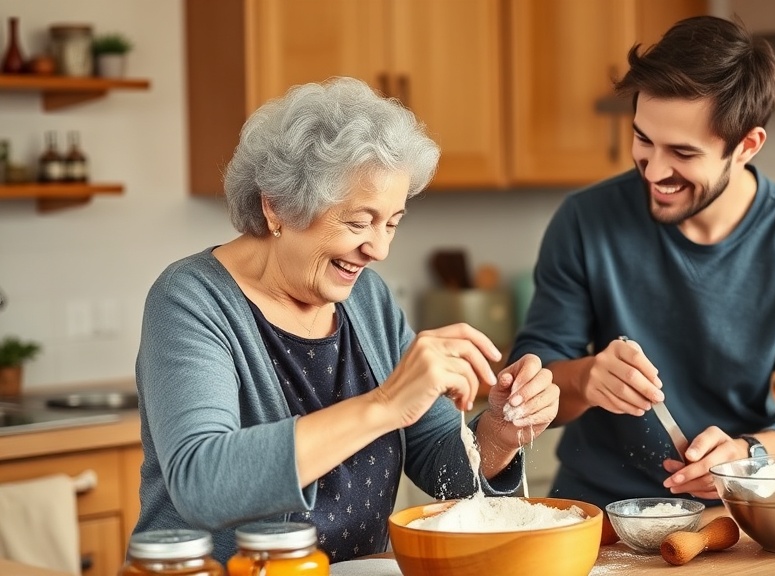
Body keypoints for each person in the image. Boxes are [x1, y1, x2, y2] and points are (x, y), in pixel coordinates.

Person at [133, 77, 559, 564]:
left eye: (392, 223)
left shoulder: (367, 301)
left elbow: (442, 461)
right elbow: (203, 483)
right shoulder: (191, 299)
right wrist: (386, 403)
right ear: (277, 205)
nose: (378, 249)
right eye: (359, 223)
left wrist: (499, 434)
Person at [508, 15, 775, 508]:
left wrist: (747, 456)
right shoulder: (585, 221)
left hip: (735, 517)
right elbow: (530, 377)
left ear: (746, 147)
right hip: (594, 512)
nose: (655, 170)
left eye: (682, 152)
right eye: (644, 139)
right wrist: (585, 378)